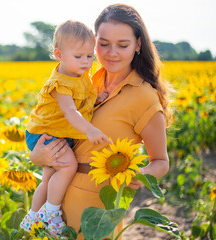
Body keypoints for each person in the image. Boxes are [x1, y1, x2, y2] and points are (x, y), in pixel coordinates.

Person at [28, 4, 172, 240]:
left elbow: (161, 162)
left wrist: (139, 174)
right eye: (103, 44)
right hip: (54, 199)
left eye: (123, 45)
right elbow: (53, 128)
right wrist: (37, 156)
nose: (111, 52)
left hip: (96, 206)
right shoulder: (84, 79)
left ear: (138, 44)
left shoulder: (144, 96)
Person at [20, 20, 112, 236]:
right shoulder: (60, 84)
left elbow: (80, 101)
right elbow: (71, 112)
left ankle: (32, 216)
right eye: (78, 57)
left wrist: (95, 99)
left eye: (89, 56)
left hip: (55, 132)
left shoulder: (79, 76)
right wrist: (89, 130)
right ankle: (51, 213)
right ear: (59, 54)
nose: (86, 62)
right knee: (68, 165)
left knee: (49, 178)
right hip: (44, 133)